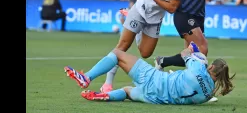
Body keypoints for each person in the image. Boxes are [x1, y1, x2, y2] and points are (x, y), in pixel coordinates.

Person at [84, 0, 187, 94]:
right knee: (121, 47)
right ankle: (104, 83)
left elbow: (171, 8)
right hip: (140, 10)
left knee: (145, 53)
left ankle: (137, 30)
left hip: (155, 19)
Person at [153, 0, 237, 102]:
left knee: (190, 56)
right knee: (202, 48)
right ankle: (167, 64)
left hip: (198, 16)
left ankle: (169, 68)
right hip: (184, 13)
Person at [64, 42, 235, 104]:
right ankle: (105, 96)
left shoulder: (199, 68)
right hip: (155, 99)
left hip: (154, 79)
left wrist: (192, 49)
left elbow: (184, 55)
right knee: (126, 91)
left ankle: (86, 77)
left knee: (117, 54)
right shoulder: (207, 95)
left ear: (211, 68)